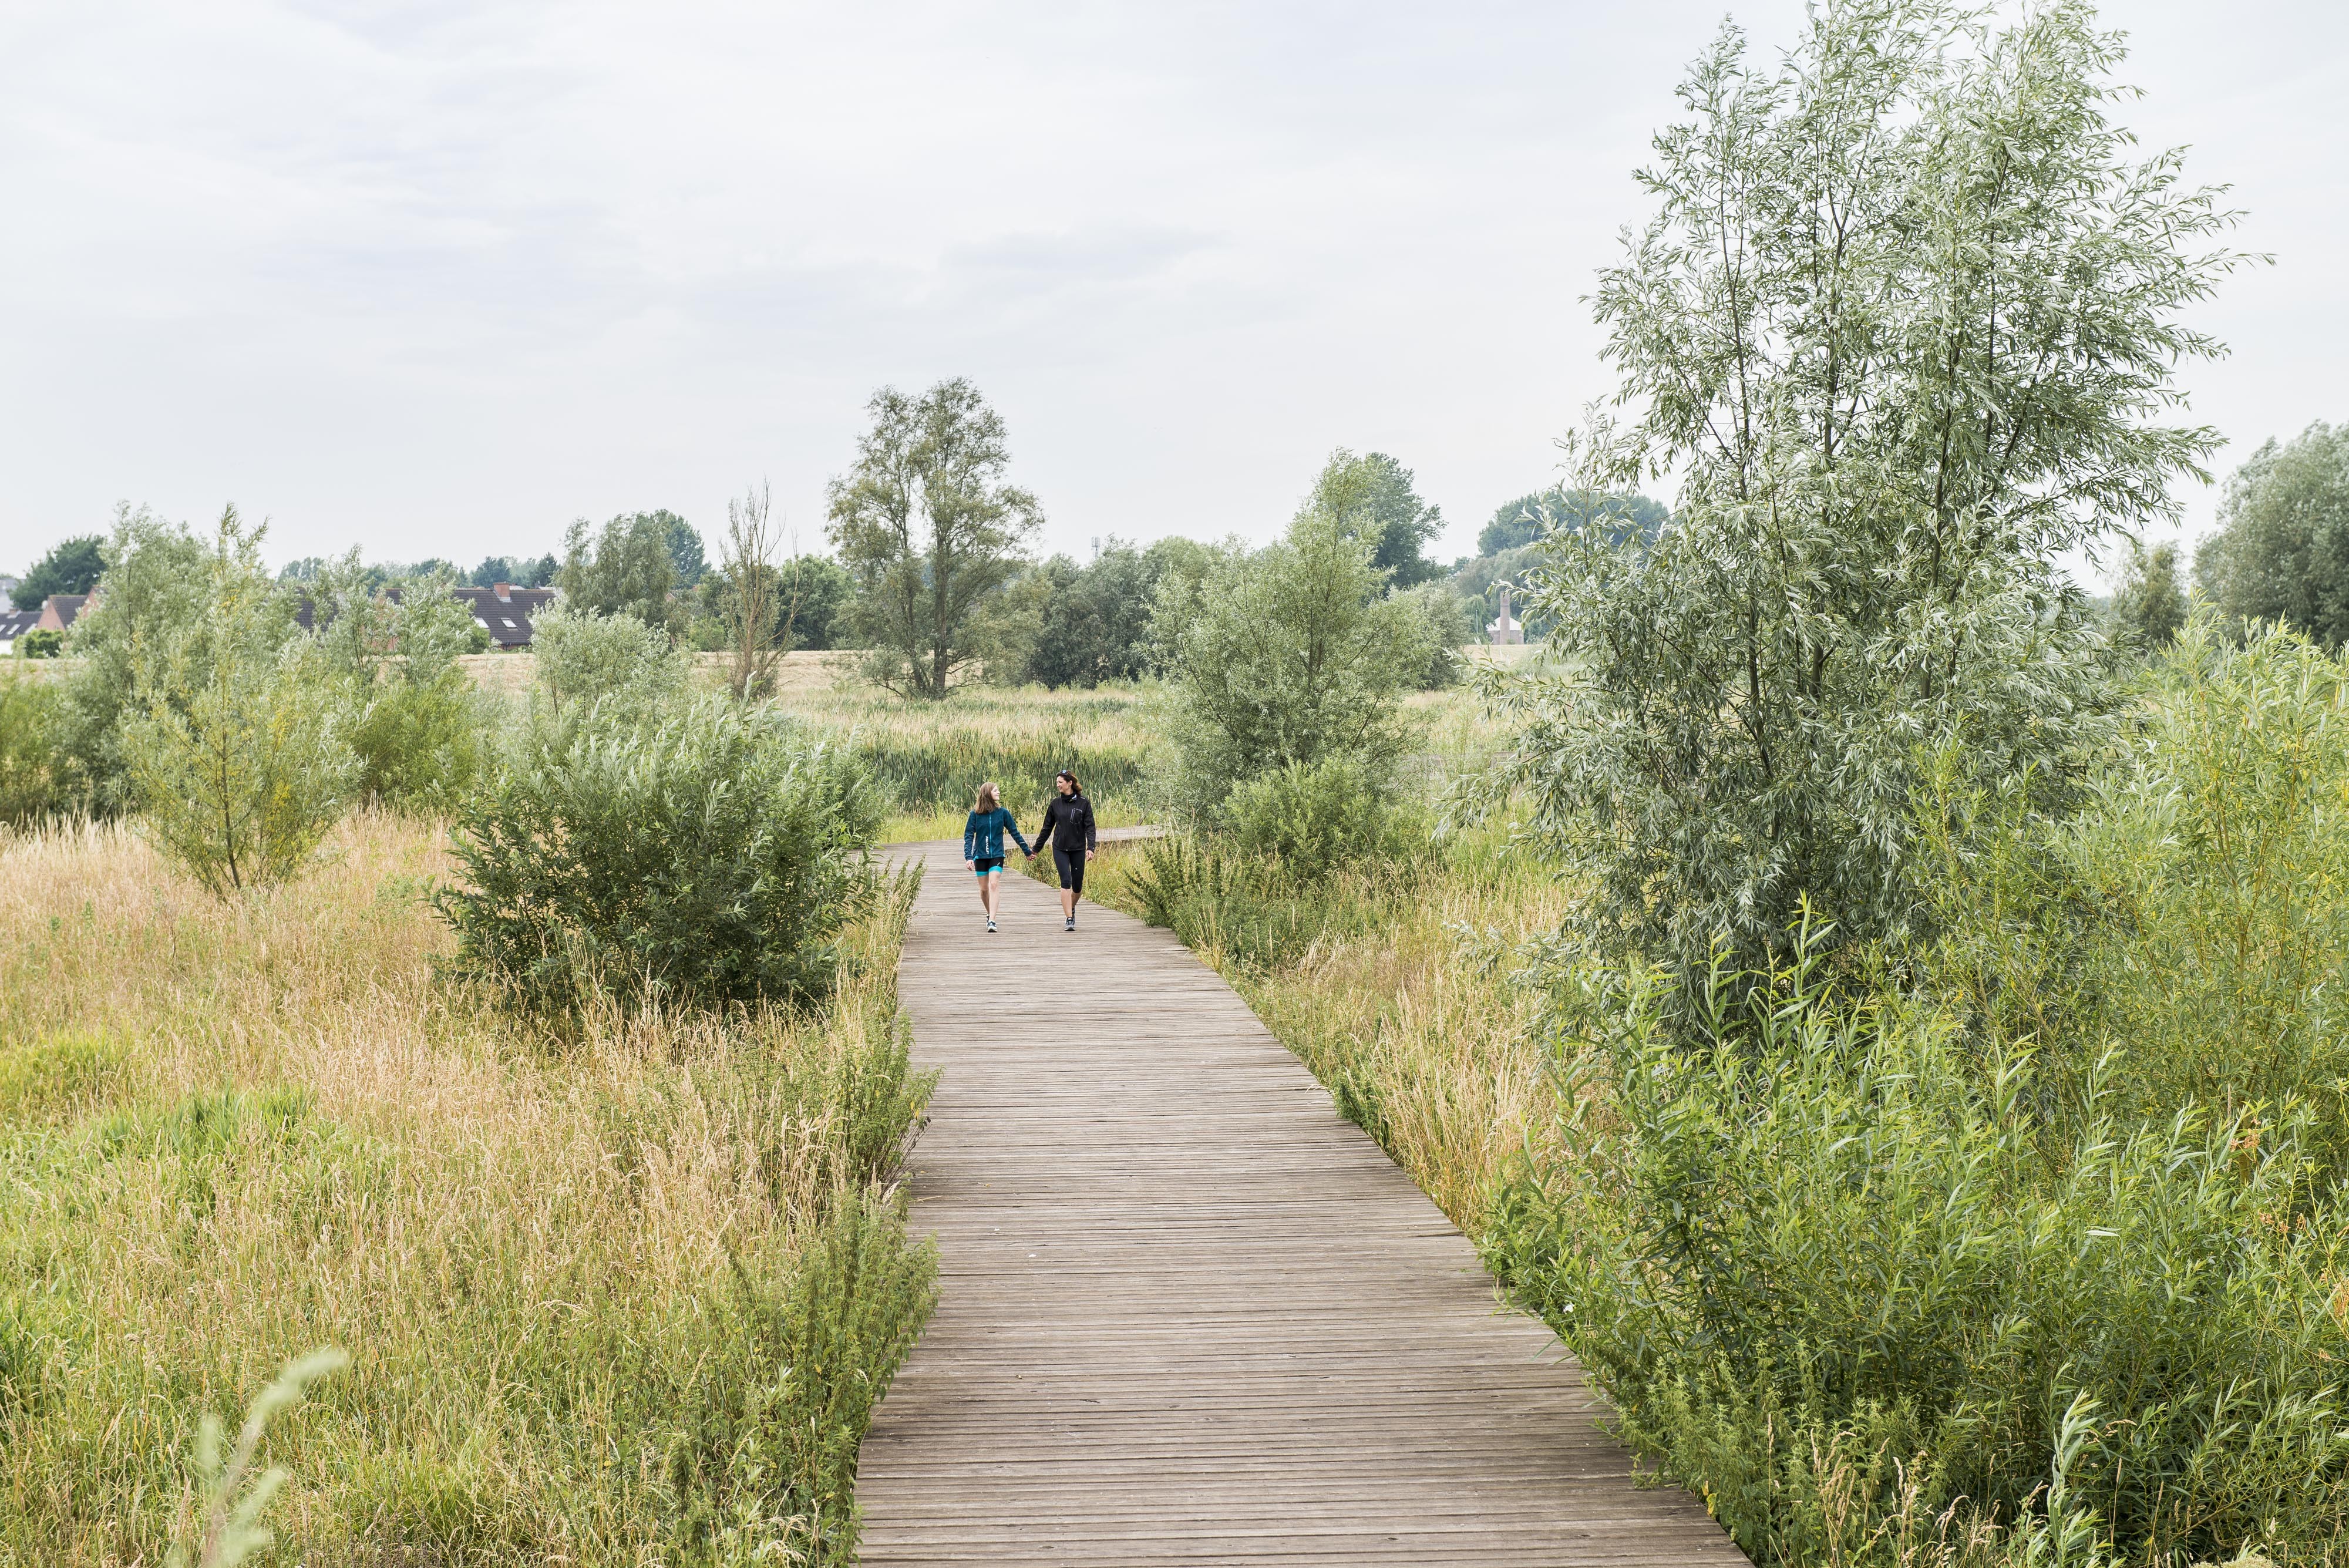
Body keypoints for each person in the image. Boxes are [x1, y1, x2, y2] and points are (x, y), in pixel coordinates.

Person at [962, 782, 1032, 934]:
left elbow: (1015, 832)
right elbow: (968, 836)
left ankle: (992, 920)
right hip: (980, 855)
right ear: (987, 793)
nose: (999, 792)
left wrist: (1027, 851)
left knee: (994, 884)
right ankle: (989, 913)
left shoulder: (1003, 813)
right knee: (983, 890)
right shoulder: (975, 814)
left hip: (997, 855)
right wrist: (968, 857)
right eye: (996, 790)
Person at [1035, 768, 1096, 932]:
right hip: (1060, 848)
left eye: (1060, 782)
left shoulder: (1084, 803)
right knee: (1066, 881)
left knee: (1077, 888)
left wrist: (1091, 847)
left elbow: (1090, 827)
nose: (1058, 785)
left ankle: (1072, 907)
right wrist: (1036, 849)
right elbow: (1047, 828)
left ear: (1070, 783)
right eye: (1057, 783)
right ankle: (1069, 918)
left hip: (1078, 849)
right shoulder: (1055, 804)